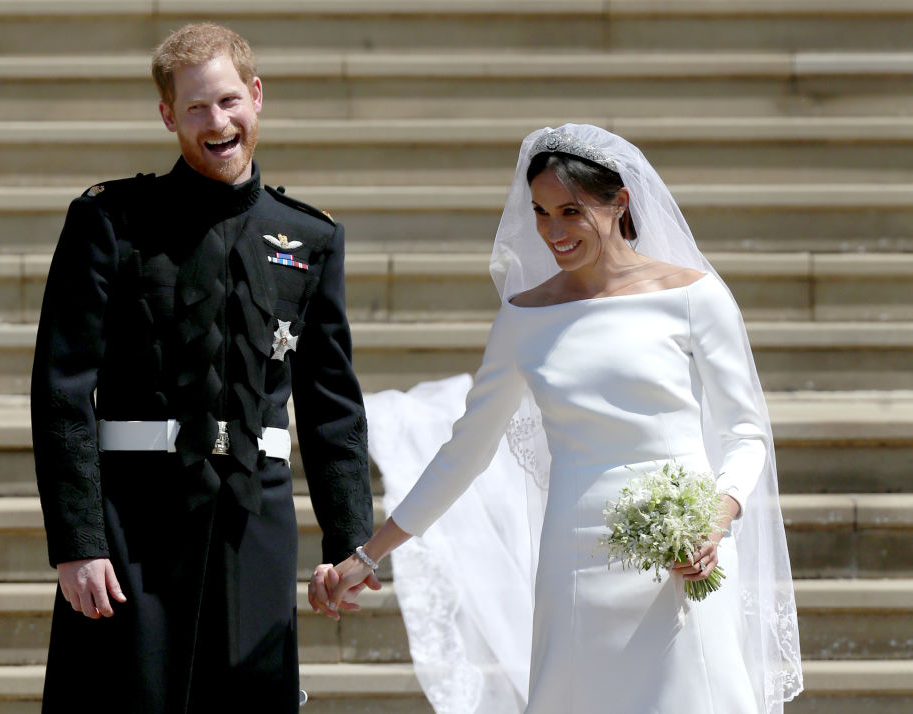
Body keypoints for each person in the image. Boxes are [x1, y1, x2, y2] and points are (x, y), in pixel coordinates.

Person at [310, 124, 803, 713]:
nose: (553, 231)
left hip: (683, 555)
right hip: (576, 558)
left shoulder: (695, 296)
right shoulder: (525, 315)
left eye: (571, 211)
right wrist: (368, 555)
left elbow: (746, 435)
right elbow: (464, 452)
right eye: (542, 212)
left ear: (620, 203)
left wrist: (715, 522)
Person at [31, 23, 376, 713]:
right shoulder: (111, 222)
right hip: (135, 523)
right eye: (194, 108)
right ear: (168, 116)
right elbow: (63, 392)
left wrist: (348, 541)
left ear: (255, 96)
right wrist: (77, 543)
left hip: (256, 521)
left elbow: (331, 401)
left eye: (227, 102)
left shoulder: (310, 236)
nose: (216, 123)